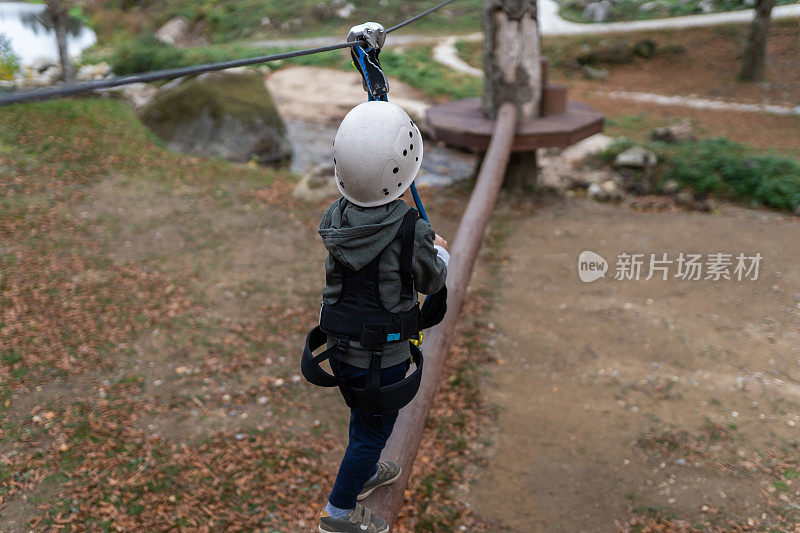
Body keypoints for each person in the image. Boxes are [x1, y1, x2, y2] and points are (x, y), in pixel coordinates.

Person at [314, 101, 449, 533]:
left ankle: (364, 470)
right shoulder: (410, 228)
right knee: (372, 433)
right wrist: (439, 250)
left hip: (337, 350)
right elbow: (432, 280)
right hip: (381, 363)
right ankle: (337, 515)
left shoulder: (337, 216)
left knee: (364, 419)